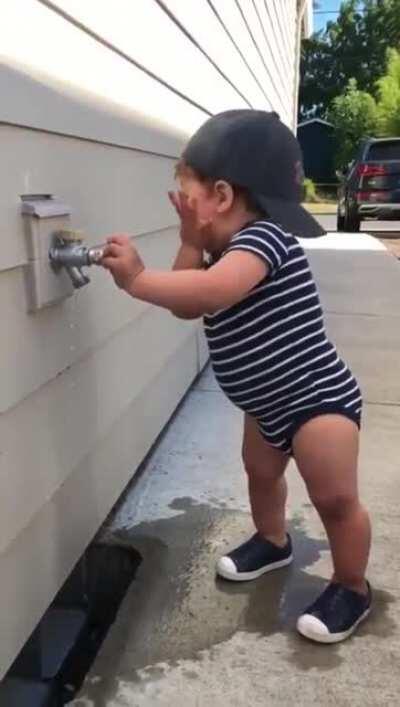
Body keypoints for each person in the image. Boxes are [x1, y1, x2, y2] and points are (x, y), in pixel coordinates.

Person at [101, 110, 372, 644]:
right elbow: (185, 302)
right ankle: (273, 541)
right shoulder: (220, 252)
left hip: (317, 401)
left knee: (335, 500)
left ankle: (351, 586)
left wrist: (136, 279)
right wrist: (190, 240)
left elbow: (210, 292)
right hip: (266, 405)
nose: (182, 205)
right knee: (260, 474)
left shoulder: (263, 240)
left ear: (222, 196)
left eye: (187, 197)